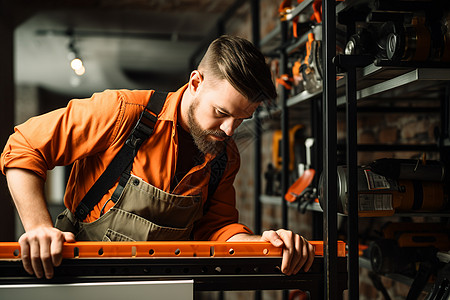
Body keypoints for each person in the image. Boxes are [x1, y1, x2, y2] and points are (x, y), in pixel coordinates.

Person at [1, 35, 315, 280]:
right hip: (80, 279)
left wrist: (265, 245)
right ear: (195, 83)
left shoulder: (224, 157)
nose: (231, 130)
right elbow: (25, 145)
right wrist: (38, 228)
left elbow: (215, 228)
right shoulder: (124, 112)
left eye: (243, 118)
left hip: (166, 286)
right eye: (221, 113)